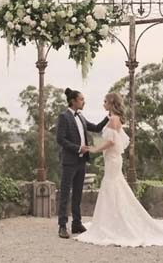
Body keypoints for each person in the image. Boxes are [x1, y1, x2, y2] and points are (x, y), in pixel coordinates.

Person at [73, 92, 163, 247]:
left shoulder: (113, 120)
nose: (103, 103)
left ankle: (114, 222)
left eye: (105, 101)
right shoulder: (115, 119)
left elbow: (111, 142)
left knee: (112, 186)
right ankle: (113, 219)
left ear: (111, 103)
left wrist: (93, 149)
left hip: (112, 159)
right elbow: (119, 141)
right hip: (113, 159)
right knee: (115, 187)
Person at [55, 87, 109, 239]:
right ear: (73, 101)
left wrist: (108, 117)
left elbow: (97, 128)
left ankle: (76, 223)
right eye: (81, 99)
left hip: (81, 161)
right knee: (65, 193)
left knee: (78, 193)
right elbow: (60, 139)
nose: (84, 102)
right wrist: (78, 148)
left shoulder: (81, 116)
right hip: (69, 161)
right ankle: (62, 226)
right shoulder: (64, 116)